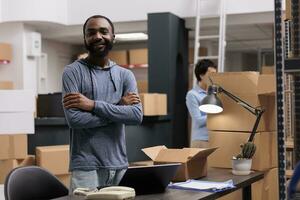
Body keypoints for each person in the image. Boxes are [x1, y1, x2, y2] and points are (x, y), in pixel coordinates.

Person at [62, 15, 143, 192]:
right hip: (86, 167)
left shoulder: (125, 75)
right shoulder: (72, 72)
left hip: (120, 166)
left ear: (113, 36)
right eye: (91, 33)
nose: (98, 36)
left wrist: (92, 105)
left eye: (104, 31)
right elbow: (75, 120)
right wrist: (119, 108)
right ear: (85, 38)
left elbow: (136, 116)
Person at [186, 59, 217, 148]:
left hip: (215, 137)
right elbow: (198, 120)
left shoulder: (215, 93)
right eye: (211, 74)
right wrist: (216, 115)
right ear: (201, 75)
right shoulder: (192, 95)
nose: (213, 77)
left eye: (215, 74)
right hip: (201, 140)